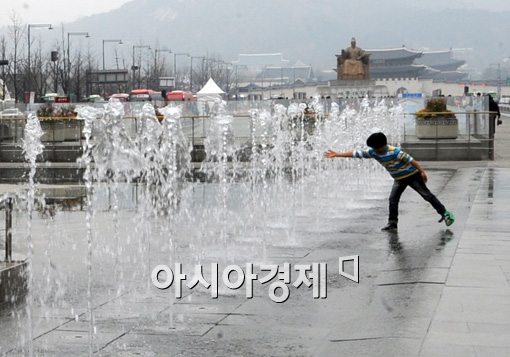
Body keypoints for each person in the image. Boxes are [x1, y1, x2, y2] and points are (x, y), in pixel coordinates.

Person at [324, 132, 455, 231]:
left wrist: (422, 172)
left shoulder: (395, 152)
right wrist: (337, 154)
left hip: (412, 175)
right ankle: (392, 223)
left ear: (383, 146)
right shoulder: (373, 152)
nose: (374, 150)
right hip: (398, 179)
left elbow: (411, 160)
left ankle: (445, 213)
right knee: (393, 199)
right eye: (373, 149)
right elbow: (355, 154)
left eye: (376, 148)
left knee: (426, 195)